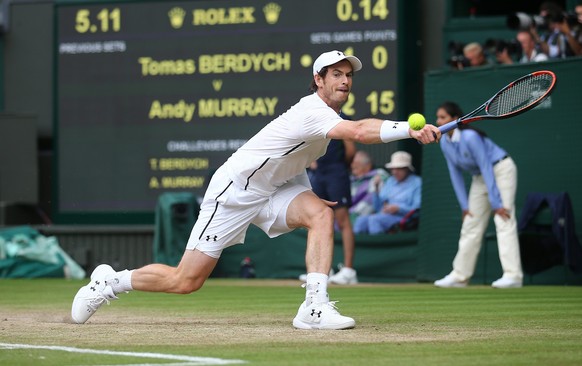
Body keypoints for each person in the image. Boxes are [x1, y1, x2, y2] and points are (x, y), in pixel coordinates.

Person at [70, 50, 440, 330]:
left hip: (272, 190)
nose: (345, 81)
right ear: (319, 79)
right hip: (235, 191)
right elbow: (360, 132)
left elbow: (290, 163)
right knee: (186, 281)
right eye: (336, 75)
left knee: (322, 215)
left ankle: (314, 307)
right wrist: (410, 128)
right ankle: (111, 281)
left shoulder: (327, 118)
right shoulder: (312, 111)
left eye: (348, 75)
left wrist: (309, 197)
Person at [433, 101, 523, 289]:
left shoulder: (471, 137)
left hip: (500, 169)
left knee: (503, 218)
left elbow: (486, 165)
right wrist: (464, 206)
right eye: (438, 117)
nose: (438, 120)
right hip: (480, 177)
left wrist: (496, 202)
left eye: (442, 117)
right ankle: (460, 276)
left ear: (454, 119)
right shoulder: (444, 142)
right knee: (470, 223)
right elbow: (454, 173)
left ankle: (513, 275)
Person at [307, 137, 359, 285]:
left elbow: (351, 151)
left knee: (343, 220)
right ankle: (322, 270)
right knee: (317, 219)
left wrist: (339, 165)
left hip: (336, 172)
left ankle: (348, 271)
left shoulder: (342, 119)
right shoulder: (317, 119)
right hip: (319, 174)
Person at [353, 151, 421, 235]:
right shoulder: (391, 181)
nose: (395, 172)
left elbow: (417, 209)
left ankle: (378, 247)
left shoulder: (417, 182)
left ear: (407, 169)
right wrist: (377, 189)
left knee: (374, 220)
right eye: (393, 168)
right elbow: (378, 207)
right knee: (361, 220)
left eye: (399, 168)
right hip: (384, 215)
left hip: (404, 219)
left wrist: (398, 209)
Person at [349, 150, 389, 220]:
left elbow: (371, 200)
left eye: (356, 163)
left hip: (364, 214)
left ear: (368, 165)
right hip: (347, 213)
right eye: (352, 163)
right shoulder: (351, 179)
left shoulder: (378, 175)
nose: (352, 165)